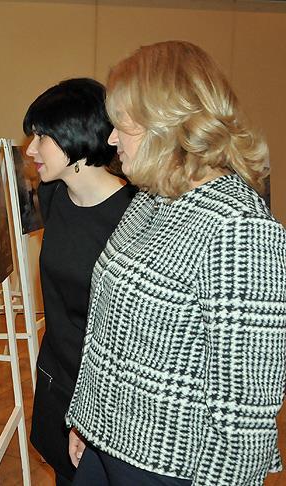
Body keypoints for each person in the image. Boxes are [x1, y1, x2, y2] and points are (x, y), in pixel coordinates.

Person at [66, 41, 286, 485]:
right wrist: (87, 420)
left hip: (172, 467)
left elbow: (246, 405)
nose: (110, 139)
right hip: (109, 440)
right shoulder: (153, 196)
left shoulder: (238, 226)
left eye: (121, 126)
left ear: (167, 124)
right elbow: (110, 328)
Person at [21, 78, 134, 486]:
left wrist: (93, 414)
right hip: (57, 377)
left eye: (43, 137)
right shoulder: (51, 195)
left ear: (79, 136)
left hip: (106, 397)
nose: (31, 149)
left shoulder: (132, 217)